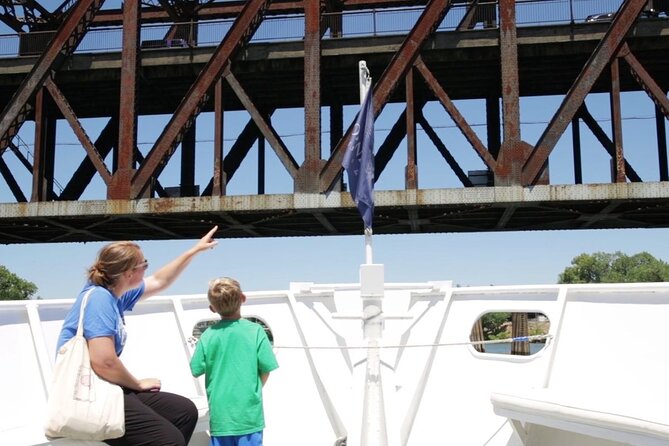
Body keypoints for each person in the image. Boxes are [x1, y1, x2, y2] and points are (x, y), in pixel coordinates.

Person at [55, 226, 219, 446]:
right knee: (169, 440)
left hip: (108, 388)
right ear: (128, 273)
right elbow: (103, 362)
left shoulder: (115, 297)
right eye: (145, 264)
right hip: (91, 393)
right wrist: (138, 384)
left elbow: (160, 281)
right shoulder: (99, 299)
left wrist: (194, 250)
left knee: (184, 412)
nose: (146, 269)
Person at [190, 277, 279, 446]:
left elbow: (196, 369)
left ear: (212, 308)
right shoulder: (256, 331)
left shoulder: (208, 335)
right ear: (243, 298)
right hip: (249, 414)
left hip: (220, 415)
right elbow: (266, 368)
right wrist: (255, 389)